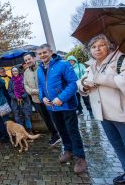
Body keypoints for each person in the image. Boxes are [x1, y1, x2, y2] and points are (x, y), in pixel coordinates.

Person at [77, 34, 125, 184]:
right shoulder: (91, 65)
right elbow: (81, 81)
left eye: (101, 45)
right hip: (102, 113)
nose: (97, 49)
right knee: (117, 145)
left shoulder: (120, 59)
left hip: (120, 112)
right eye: (93, 47)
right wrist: (84, 86)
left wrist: (100, 79)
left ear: (109, 46)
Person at [37, 43, 87, 174]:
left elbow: (73, 83)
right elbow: (41, 86)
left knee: (72, 131)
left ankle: (80, 157)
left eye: (44, 52)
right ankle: (69, 150)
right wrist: (43, 98)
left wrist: (61, 98)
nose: (42, 55)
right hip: (52, 107)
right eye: (40, 53)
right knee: (62, 130)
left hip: (66, 105)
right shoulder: (39, 69)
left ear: (51, 52)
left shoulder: (63, 64)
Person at [23, 53, 61, 146]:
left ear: (34, 58)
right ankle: (54, 135)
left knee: (54, 117)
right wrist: (33, 91)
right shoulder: (26, 72)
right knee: (46, 119)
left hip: (47, 98)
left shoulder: (41, 68)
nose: (28, 61)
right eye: (26, 60)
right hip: (36, 100)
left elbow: (47, 83)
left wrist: (38, 91)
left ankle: (61, 134)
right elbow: (26, 85)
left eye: (29, 59)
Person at [8, 67, 33, 134]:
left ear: (18, 71)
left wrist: (22, 96)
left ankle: (29, 130)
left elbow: (26, 89)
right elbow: (10, 92)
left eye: (16, 71)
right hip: (15, 102)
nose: (15, 72)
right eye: (13, 71)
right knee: (17, 117)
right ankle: (22, 132)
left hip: (24, 101)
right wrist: (16, 97)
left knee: (26, 116)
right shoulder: (11, 81)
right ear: (12, 73)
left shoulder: (23, 79)